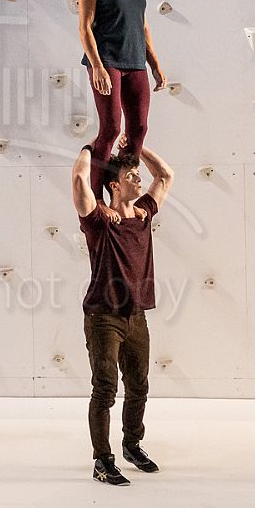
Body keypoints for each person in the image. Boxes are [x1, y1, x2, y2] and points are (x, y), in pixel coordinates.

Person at [71, 135, 174, 486]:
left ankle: (132, 445)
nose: (138, 178)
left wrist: (137, 147)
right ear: (114, 185)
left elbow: (165, 175)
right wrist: (95, 145)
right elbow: (80, 180)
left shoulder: (144, 214)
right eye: (131, 175)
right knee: (105, 389)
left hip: (136, 315)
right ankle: (102, 460)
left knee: (139, 386)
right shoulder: (100, 220)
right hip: (104, 317)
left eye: (137, 174)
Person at [77, 0, 166, 189]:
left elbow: (142, 25)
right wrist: (97, 66)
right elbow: (84, 27)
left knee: (139, 128)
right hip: (107, 61)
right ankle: (97, 197)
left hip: (135, 60)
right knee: (111, 128)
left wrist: (154, 64)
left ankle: (121, 188)